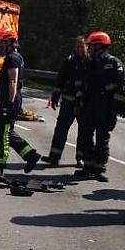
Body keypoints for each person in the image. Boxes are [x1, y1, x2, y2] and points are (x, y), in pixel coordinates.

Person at [76, 31, 125, 182]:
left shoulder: (113, 63)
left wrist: (117, 106)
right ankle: (88, 166)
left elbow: (123, 86)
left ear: (99, 46)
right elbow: (81, 84)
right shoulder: (88, 62)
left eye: (91, 46)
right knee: (86, 136)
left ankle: (99, 169)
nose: (89, 48)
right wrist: (79, 103)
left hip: (105, 107)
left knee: (102, 138)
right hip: (89, 106)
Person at [0, 26, 41, 179]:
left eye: (1, 43)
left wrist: (9, 103)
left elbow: (13, 81)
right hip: (10, 101)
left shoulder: (12, 58)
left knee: (1, 135)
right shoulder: (16, 57)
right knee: (8, 133)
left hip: (8, 102)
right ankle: (31, 156)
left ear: (9, 42)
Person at [42, 36, 87, 167]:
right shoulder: (69, 61)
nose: (80, 49)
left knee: (84, 132)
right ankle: (54, 157)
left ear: (87, 47)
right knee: (61, 130)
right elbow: (60, 79)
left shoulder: (91, 63)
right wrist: (55, 95)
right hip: (68, 103)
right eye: (77, 46)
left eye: (82, 46)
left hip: (84, 105)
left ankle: (81, 158)